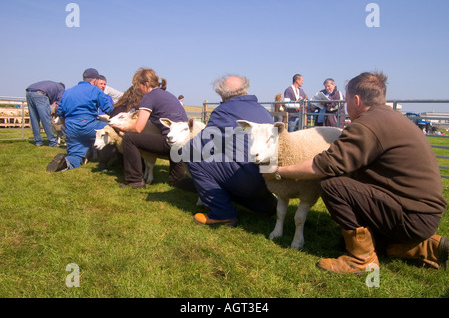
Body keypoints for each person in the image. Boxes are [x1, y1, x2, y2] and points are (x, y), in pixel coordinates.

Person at [265, 72, 448, 273]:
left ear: (356, 100)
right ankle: (426, 246)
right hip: (422, 213)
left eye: (346, 101)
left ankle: (361, 259)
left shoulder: (367, 125)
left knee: (332, 185)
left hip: (411, 216)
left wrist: (278, 171)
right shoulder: (391, 117)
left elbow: (325, 165)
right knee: (344, 238)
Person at [185, 74, 277, 226]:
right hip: (269, 178)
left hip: (248, 180)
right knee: (237, 161)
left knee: (193, 156)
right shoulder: (263, 111)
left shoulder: (223, 111)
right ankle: (264, 206)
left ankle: (222, 213)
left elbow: (203, 144)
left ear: (222, 95)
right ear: (246, 90)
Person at [112, 67, 188, 189]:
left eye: (138, 86)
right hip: (183, 143)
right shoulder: (168, 95)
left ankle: (135, 181)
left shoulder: (148, 97)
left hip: (171, 141)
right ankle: (196, 183)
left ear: (146, 84)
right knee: (177, 182)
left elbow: (138, 128)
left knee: (129, 138)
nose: (137, 89)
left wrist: (124, 128)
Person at [47, 68, 114, 172]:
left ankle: (66, 163)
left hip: (71, 127)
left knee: (76, 155)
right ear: (95, 80)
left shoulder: (68, 92)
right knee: (111, 131)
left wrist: (67, 126)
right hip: (90, 125)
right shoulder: (95, 90)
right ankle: (105, 162)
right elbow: (109, 109)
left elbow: (60, 112)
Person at [25, 80, 65, 147]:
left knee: (34, 118)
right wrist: (56, 116)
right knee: (46, 119)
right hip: (40, 94)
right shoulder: (61, 89)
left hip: (29, 92)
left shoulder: (54, 86)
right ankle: (53, 142)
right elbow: (58, 106)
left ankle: (38, 141)